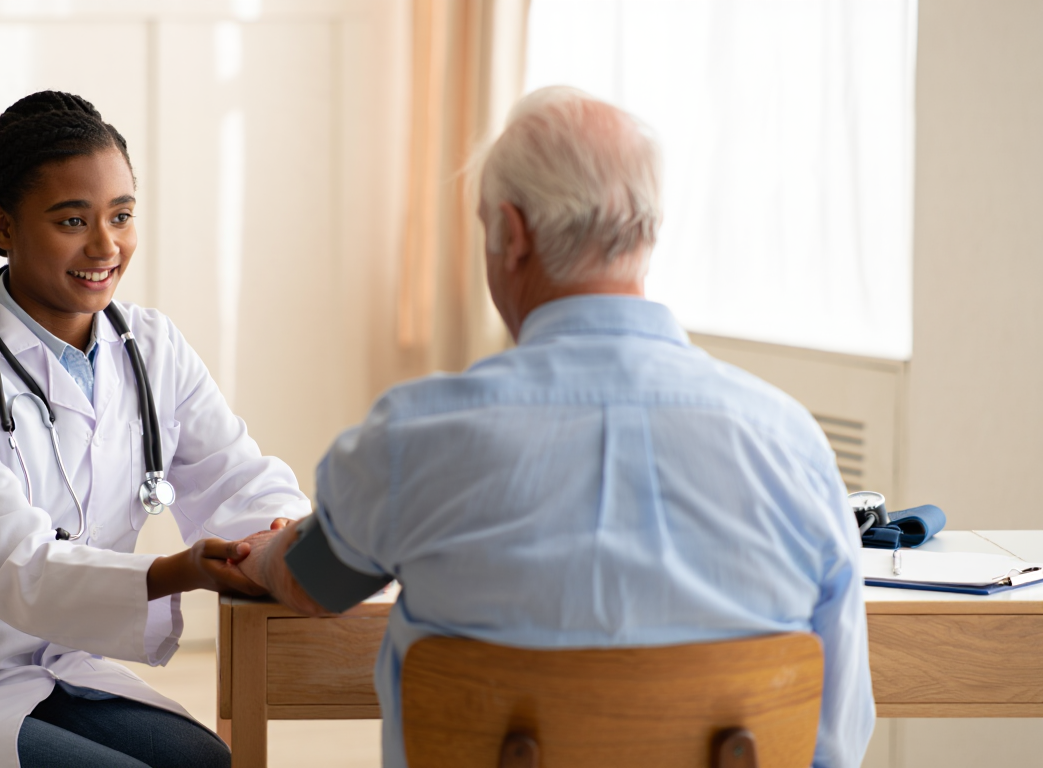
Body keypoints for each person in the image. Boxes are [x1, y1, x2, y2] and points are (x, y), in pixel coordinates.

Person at [238, 85, 875, 768]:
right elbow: (838, 734)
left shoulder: (415, 435)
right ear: (648, 231)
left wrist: (265, 556)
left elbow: (318, 581)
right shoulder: (790, 442)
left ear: (511, 235)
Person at [0, 91, 307, 768]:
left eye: (121, 215)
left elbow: (236, 477)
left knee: (205, 762)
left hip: (56, 665)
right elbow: (14, 564)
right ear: (3, 225)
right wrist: (181, 570)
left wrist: (282, 536)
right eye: (73, 220)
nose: (105, 245)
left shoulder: (153, 348)